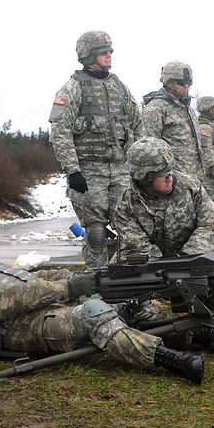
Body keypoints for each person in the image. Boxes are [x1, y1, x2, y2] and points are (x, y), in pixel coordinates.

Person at [0, 222, 205, 384]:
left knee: (123, 304)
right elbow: (11, 299)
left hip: (40, 312)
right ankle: (169, 360)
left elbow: (29, 278)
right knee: (94, 314)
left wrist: (83, 279)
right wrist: (67, 288)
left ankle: (200, 336)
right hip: (21, 331)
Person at [49, 31, 142, 270]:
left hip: (121, 169)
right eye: (103, 52)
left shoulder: (120, 87)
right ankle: (97, 282)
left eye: (110, 51)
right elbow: (60, 131)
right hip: (89, 173)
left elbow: (137, 124)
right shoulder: (73, 87)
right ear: (89, 55)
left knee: (130, 228)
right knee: (96, 232)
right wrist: (72, 170)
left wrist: (140, 164)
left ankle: (128, 281)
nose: (109, 55)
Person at [113, 137, 214, 268]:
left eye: (170, 171)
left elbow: (213, 224)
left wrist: (185, 255)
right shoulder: (126, 206)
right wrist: (165, 264)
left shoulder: (190, 187)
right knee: (119, 275)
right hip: (150, 261)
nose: (169, 177)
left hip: (192, 253)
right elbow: (137, 245)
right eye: (162, 174)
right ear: (145, 178)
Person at [142, 62, 207, 182]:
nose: (186, 86)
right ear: (168, 83)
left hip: (195, 179)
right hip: (172, 180)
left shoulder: (188, 109)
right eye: (181, 83)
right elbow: (149, 149)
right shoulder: (156, 108)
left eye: (189, 83)